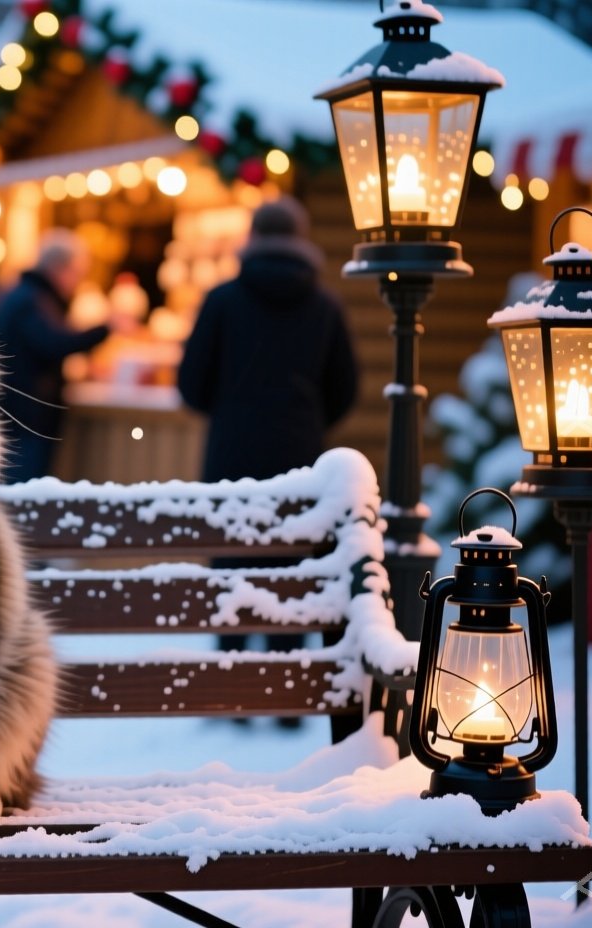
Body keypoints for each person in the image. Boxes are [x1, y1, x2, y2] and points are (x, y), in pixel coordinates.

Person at [178, 198, 359, 714]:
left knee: (232, 565)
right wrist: (307, 420)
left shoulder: (222, 300)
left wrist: (230, 408)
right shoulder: (325, 306)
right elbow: (346, 388)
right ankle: (284, 695)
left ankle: (232, 691)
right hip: (299, 457)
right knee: (291, 569)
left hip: (231, 454)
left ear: (252, 240)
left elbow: (191, 384)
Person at [0, 231, 124, 484]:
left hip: (13, 411)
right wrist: (105, 328)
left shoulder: (18, 293)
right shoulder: (31, 300)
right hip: (25, 416)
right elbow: (54, 343)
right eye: (77, 273)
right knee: (22, 494)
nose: (77, 282)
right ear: (59, 268)